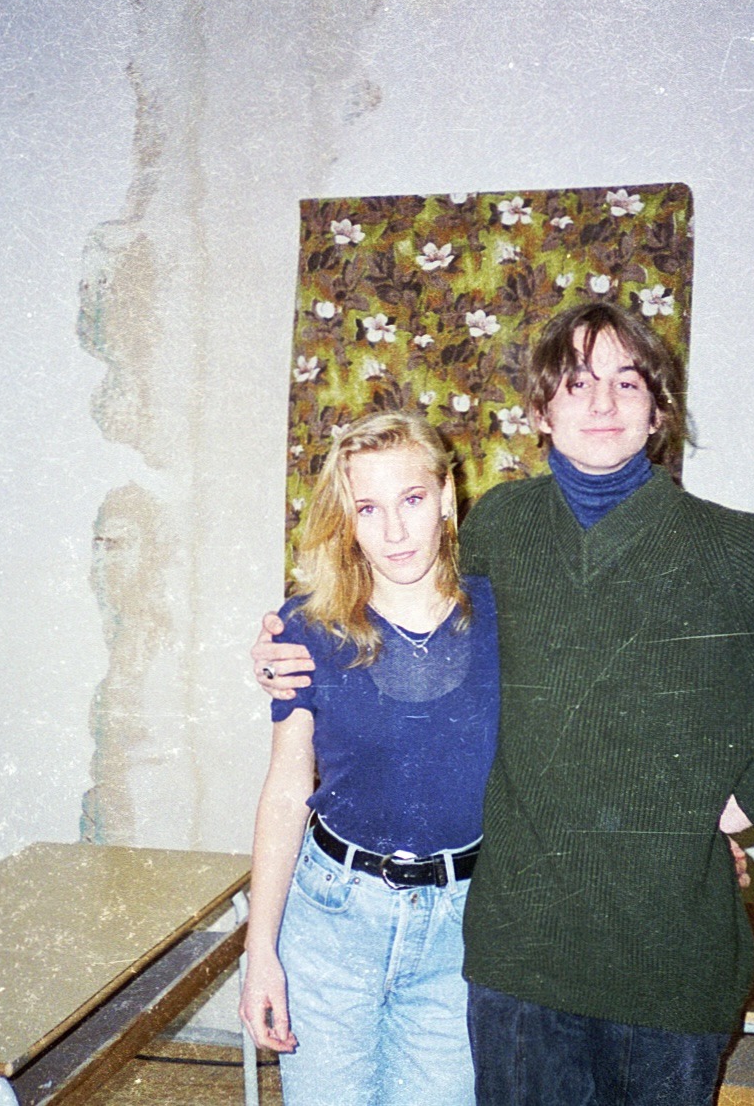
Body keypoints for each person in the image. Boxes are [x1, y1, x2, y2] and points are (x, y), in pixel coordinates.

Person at [254, 301, 754, 1106]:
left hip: (664, 972)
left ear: (659, 410)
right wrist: (285, 643)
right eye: (575, 382)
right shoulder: (502, 528)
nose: (601, 402)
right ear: (541, 411)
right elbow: (397, 592)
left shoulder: (739, 555)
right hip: (516, 968)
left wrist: (753, 796)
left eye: (626, 382)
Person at [239, 412, 499, 1106]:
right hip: (332, 918)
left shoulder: (506, 617)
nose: (394, 531)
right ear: (347, 521)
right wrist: (260, 951)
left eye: (411, 499)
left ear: (446, 497)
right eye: (368, 509)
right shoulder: (307, 628)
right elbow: (286, 789)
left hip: (462, 928)